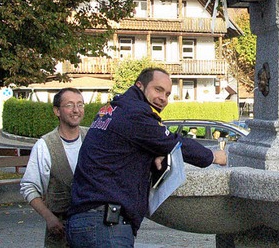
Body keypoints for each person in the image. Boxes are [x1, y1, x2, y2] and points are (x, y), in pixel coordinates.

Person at [66, 68, 227, 247]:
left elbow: (120, 151)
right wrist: (212, 156)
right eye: (158, 90)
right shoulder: (135, 113)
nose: (163, 98)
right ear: (140, 86)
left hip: (86, 222)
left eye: (167, 94)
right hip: (106, 226)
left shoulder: (114, 109)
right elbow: (174, 142)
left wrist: (152, 155)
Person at [20, 88, 88, 247]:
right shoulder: (44, 145)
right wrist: (49, 217)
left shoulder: (93, 138)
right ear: (57, 111)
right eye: (70, 105)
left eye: (80, 105)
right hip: (60, 231)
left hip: (91, 231)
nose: (76, 110)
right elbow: (29, 187)